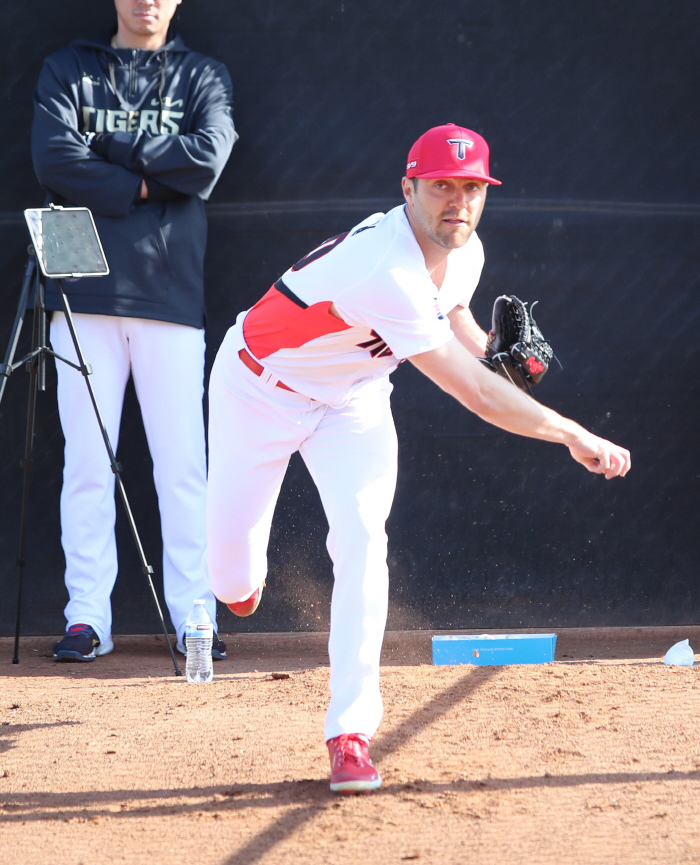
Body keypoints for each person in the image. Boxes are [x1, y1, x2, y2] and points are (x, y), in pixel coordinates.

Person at [203, 123, 630, 793]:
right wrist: (571, 431)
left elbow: (452, 311)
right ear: (408, 188)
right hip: (258, 388)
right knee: (232, 583)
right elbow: (474, 394)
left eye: (471, 188)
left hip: (353, 400)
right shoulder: (387, 266)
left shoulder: (466, 249)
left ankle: (349, 732)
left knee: (364, 541)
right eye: (440, 187)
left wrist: (488, 341)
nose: (457, 201)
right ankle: (237, 582)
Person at [31, 0, 237, 663]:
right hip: (79, 291)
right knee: (87, 462)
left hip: (169, 295)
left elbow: (207, 159)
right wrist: (153, 180)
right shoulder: (68, 69)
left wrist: (112, 163)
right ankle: (87, 617)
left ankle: (194, 618)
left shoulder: (203, 77)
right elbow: (55, 160)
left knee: (182, 464)